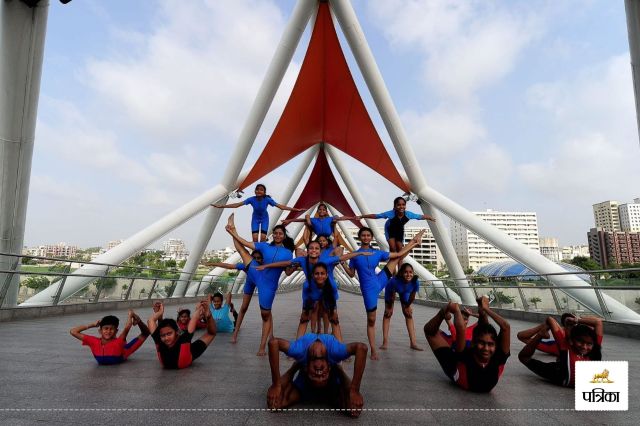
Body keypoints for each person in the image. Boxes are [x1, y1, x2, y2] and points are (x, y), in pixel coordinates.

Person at [257, 240, 371, 338]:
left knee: (334, 319)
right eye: (311, 248)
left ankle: (339, 348)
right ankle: (298, 347)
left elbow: (343, 257)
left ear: (320, 251)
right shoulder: (302, 260)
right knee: (303, 319)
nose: (314, 250)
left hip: (326, 290)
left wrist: (359, 253)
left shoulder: (325, 261)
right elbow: (286, 263)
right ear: (307, 250)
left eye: (317, 248)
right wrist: (266, 266)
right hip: (310, 291)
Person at [342, 227, 425, 360]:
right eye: (363, 235)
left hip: (379, 280)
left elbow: (398, 255)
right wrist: (343, 264)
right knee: (371, 320)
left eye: (368, 235)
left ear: (371, 237)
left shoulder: (377, 253)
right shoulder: (355, 255)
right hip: (368, 289)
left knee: (396, 258)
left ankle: (416, 241)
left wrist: (413, 243)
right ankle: (373, 350)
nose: (366, 237)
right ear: (360, 237)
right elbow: (351, 274)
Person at [225, 213, 295, 356]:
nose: (277, 235)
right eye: (275, 233)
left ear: (284, 236)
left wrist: (295, 266)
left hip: (268, 285)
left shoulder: (288, 253)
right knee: (242, 251)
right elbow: (245, 243)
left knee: (265, 314)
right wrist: (233, 234)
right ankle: (232, 228)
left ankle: (263, 345)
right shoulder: (264, 246)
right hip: (257, 272)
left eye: (280, 233)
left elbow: (288, 272)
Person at [267, 334, 368, 417]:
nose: (318, 373)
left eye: (315, 376)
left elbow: (273, 343)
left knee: (275, 404)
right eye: (322, 376)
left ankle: (337, 369)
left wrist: (277, 385)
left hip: (329, 387)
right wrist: (354, 390)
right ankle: (338, 369)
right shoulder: (335, 351)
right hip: (316, 387)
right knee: (275, 404)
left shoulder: (299, 350)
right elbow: (361, 348)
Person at [423, 297, 511, 393]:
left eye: (490, 345)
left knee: (483, 333)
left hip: (463, 363)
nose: (486, 348)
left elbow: (506, 327)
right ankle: (443, 313)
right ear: (473, 343)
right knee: (430, 332)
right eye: (482, 343)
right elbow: (460, 329)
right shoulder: (466, 355)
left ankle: (482, 312)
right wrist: (453, 311)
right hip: (455, 368)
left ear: (495, 345)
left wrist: (485, 309)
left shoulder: (499, 356)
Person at [518, 315, 602, 387]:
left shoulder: (594, 347)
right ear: (572, 340)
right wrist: (541, 334)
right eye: (580, 342)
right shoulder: (566, 347)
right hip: (557, 372)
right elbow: (550, 319)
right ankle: (542, 335)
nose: (584, 347)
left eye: (589, 344)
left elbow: (598, 322)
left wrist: (576, 320)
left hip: (561, 368)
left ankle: (558, 358)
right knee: (523, 357)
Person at [203, 251, 263, 343]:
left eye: (259, 258)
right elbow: (228, 266)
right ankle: (234, 334)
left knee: (265, 312)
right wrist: (212, 263)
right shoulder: (246, 265)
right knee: (243, 308)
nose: (256, 260)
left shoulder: (266, 265)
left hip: (262, 284)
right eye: (254, 258)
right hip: (250, 284)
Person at [213, 183, 304, 241]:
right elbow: (237, 205)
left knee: (263, 238)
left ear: (264, 192)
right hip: (255, 219)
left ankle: (262, 254)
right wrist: (222, 206)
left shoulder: (268, 199)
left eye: (261, 189)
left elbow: (281, 207)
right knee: (255, 238)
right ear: (255, 191)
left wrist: (296, 209)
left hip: (264, 219)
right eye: (257, 189)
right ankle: (256, 255)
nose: (258, 191)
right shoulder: (251, 199)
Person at [147, 300, 217, 369]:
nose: (166, 338)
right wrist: (160, 312)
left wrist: (204, 312)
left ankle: (209, 316)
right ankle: (161, 319)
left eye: (169, 334)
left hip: (187, 354)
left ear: (177, 332)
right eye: (163, 335)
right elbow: (150, 321)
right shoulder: (160, 339)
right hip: (186, 356)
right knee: (210, 334)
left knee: (211, 334)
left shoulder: (183, 339)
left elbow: (194, 319)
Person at [70, 309, 150, 365]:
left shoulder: (118, 341)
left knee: (145, 333)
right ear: (100, 331)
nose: (108, 331)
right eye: (106, 329)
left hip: (124, 351)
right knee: (139, 336)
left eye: (111, 329)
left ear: (116, 331)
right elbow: (73, 332)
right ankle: (136, 319)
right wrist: (92, 325)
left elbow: (127, 327)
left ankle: (138, 320)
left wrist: (130, 315)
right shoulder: (93, 341)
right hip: (120, 347)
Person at [358, 197, 435, 253]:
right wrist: (362, 216)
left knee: (400, 249)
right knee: (393, 248)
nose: (401, 207)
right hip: (389, 229)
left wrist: (430, 217)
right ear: (395, 206)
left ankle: (399, 269)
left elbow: (420, 217)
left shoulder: (408, 214)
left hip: (399, 230)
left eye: (403, 205)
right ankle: (393, 268)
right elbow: (376, 216)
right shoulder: (391, 213)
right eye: (399, 205)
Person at [380, 263, 423, 351]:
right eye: (405, 272)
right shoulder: (394, 281)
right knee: (388, 314)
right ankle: (385, 342)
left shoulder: (415, 282)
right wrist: (389, 307)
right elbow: (392, 297)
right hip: (391, 291)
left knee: (408, 315)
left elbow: (412, 297)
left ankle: (413, 343)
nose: (408, 274)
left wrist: (407, 306)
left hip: (405, 291)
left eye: (411, 272)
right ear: (401, 273)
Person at [283, 203, 354, 239]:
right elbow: (300, 220)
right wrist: (289, 220)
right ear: (317, 211)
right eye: (320, 209)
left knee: (336, 219)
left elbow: (342, 218)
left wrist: (352, 218)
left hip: (328, 238)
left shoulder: (330, 218)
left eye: (323, 210)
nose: (321, 211)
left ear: (326, 212)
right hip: (319, 238)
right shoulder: (314, 220)